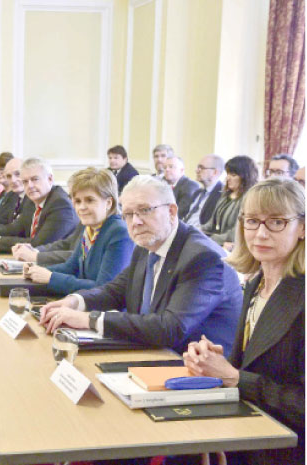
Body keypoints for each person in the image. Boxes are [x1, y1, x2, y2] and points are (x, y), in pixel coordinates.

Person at [39, 175, 242, 354]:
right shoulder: (147, 244)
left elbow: (170, 328)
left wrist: (88, 319)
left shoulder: (202, 258)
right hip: (151, 351)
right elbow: (115, 291)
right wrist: (75, 301)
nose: (135, 221)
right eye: (128, 214)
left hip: (191, 368)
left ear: (172, 211)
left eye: (145, 210)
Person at [184, 178, 304, 465]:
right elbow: (257, 365)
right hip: (248, 431)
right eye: (252, 221)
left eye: (276, 222)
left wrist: (235, 377)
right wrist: (217, 363)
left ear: (302, 227)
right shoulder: (256, 283)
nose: (260, 233)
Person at [22, 168, 134, 295]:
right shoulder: (90, 227)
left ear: (108, 202)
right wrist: (37, 270)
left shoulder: (119, 232)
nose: (81, 207)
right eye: (77, 201)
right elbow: (71, 267)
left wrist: (51, 277)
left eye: (90, 200)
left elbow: (104, 287)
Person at [0, 157, 78, 252]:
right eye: (25, 181)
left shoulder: (60, 204)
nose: (30, 186)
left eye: (35, 179)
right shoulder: (31, 199)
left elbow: (38, 244)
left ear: (50, 179)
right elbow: (17, 227)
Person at [202, 155, 259, 250]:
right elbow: (211, 223)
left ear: (245, 177)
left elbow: (236, 232)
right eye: (227, 174)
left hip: (235, 247)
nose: (228, 178)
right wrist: (197, 231)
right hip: (219, 243)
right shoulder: (225, 196)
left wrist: (211, 239)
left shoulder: (250, 199)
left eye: (233, 175)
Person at [182, 154, 224, 228]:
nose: (196, 170)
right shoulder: (198, 192)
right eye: (198, 167)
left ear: (215, 172)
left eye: (201, 168)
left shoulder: (222, 195)